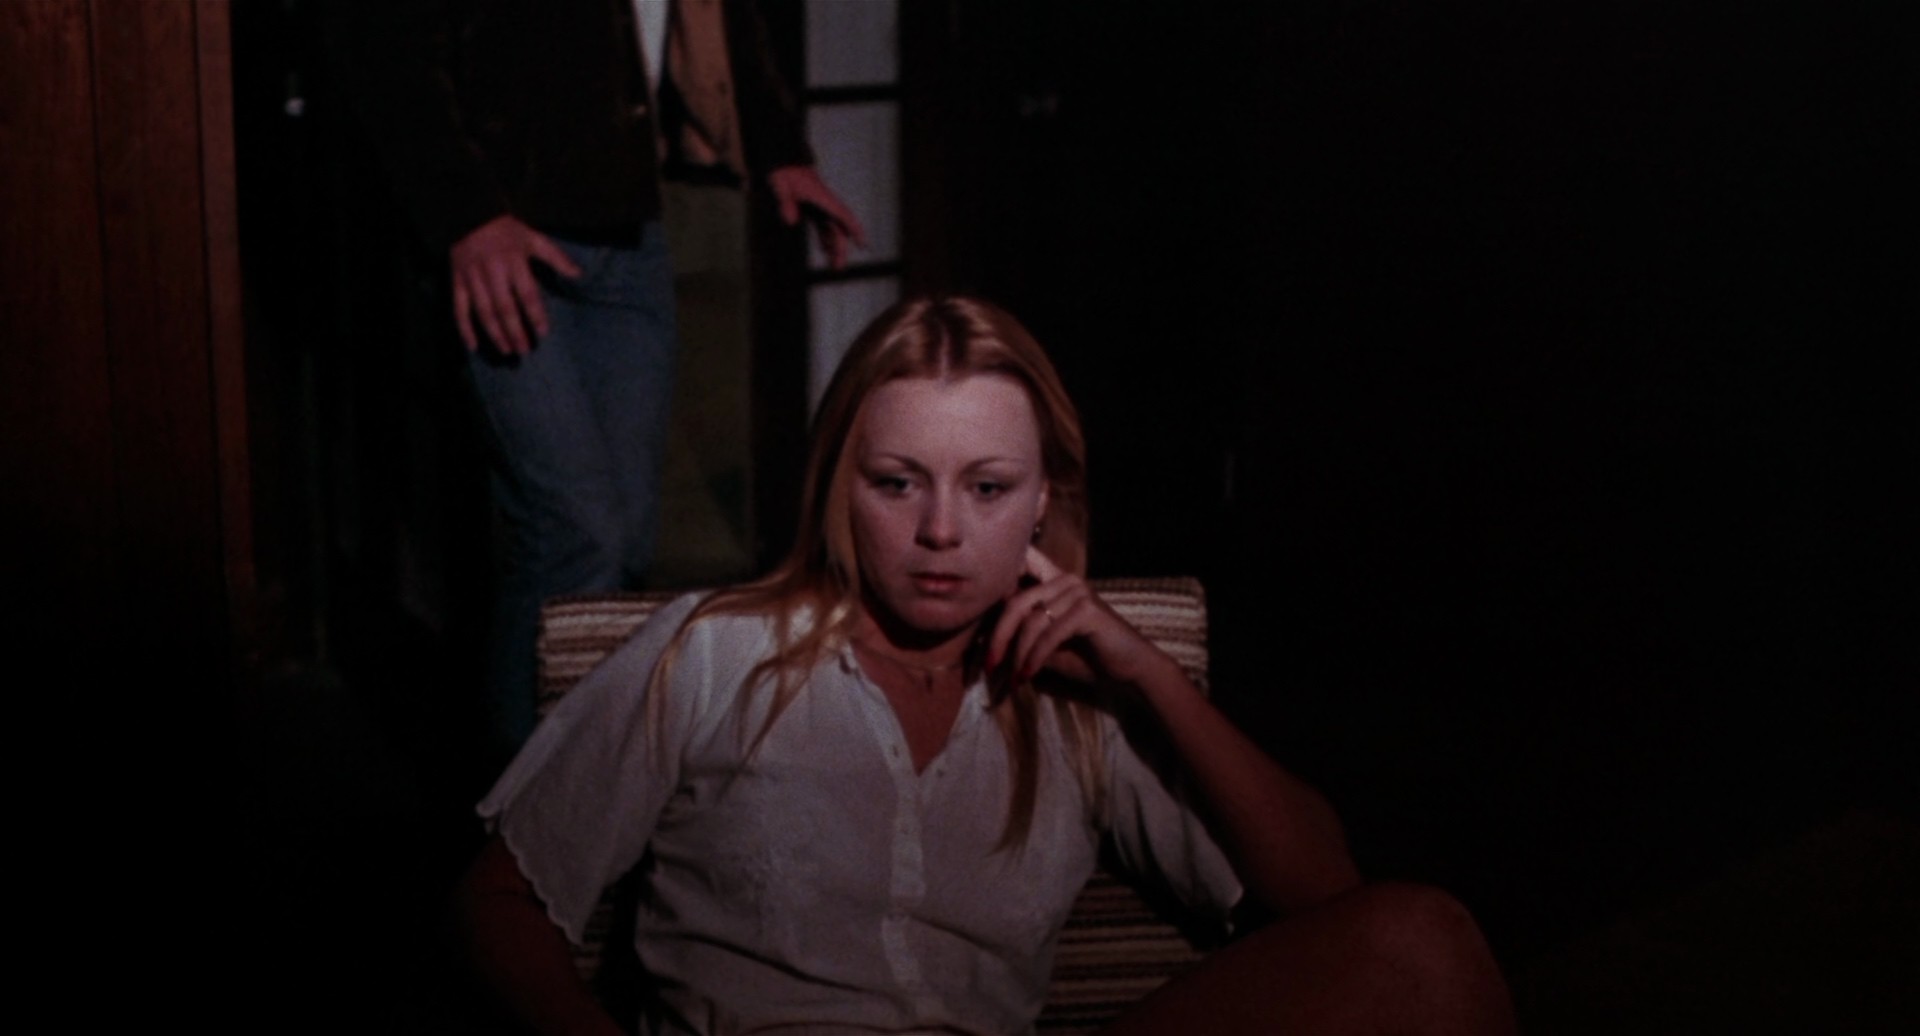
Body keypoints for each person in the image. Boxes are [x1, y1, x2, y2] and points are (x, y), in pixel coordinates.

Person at [459, 297, 1517, 1035]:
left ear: (1043, 499)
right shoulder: (713, 651)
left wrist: (1147, 674)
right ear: (840, 486)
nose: (940, 531)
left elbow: (1328, 893)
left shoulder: (1080, 698)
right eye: (897, 482)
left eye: (988, 487)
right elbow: (496, 901)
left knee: (1423, 939)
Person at [332, 0, 865, 755]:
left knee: (623, 545)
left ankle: (593, 786)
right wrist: (465, 214)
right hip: (505, 229)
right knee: (575, 531)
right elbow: (384, 39)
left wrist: (777, 144)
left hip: (628, 225)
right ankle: (530, 810)